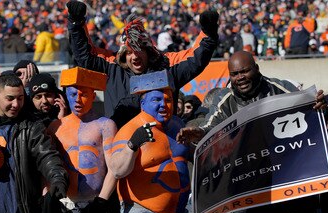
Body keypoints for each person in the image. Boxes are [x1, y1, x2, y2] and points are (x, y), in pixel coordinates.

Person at [176, 50, 327, 213]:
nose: (240, 78)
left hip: (290, 191)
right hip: (254, 193)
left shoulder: (281, 88)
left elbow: (310, 112)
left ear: (256, 69)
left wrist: (320, 106)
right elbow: (210, 129)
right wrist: (199, 133)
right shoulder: (225, 101)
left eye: (245, 71)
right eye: (234, 74)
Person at [66, 0, 219, 129]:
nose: (134, 56)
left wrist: (209, 33)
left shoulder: (165, 65)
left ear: (148, 51)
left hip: (161, 148)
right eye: (129, 52)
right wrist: (76, 23)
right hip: (120, 147)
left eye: (139, 50)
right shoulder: (111, 66)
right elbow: (86, 57)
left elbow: (195, 60)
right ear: (122, 54)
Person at [108, 70, 192, 213]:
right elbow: (117, 171)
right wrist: (132, 145)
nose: (164, 105)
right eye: (156, 99)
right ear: (143, 103)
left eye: (168, 100)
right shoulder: (129, 130)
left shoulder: (178, 124)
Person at [0, 71, 68, 213]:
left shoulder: (32, 126)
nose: (16, 104)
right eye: (10, 98)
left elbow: (48, 157)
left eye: (20, 98)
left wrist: (57, 182)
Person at [47, 66, 119, 213]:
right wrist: (48, 197)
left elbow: (114, 168)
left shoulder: (105, 125)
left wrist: (102, 201)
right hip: (65, 205)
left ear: (93, 96)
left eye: (84, 94)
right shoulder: (55, 127)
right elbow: (46, 166)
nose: (78, 100)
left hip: (97, 203)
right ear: (66, 95)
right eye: (73, 94)